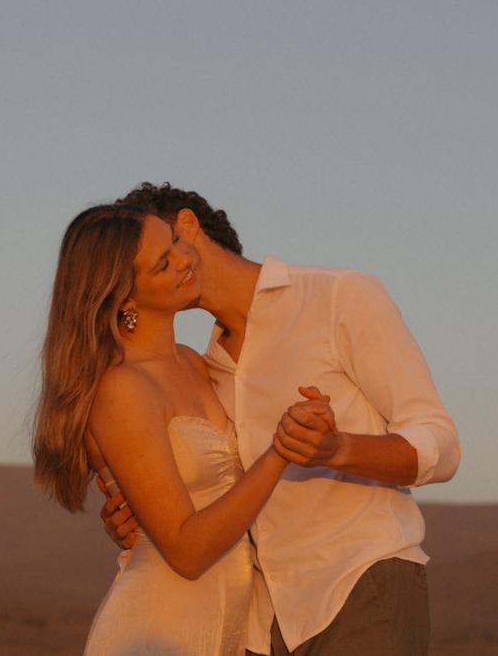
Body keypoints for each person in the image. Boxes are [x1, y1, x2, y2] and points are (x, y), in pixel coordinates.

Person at [99, 183, 461, 656]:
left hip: (360, 585)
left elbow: (442, 443)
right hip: (256, 621)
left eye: (156, 255)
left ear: (186, 227)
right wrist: (137, 518)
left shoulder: (338, 297)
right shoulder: (200, 370)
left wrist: (340, 449)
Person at [33, 203, 334, 656]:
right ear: (125, 297)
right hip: (159, 631)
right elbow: (186, 552)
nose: (185, 260)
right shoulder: (123, 389)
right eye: (162, 264)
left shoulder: (194, 363)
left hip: (229, 631)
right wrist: (281, 451)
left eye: (174, 242)